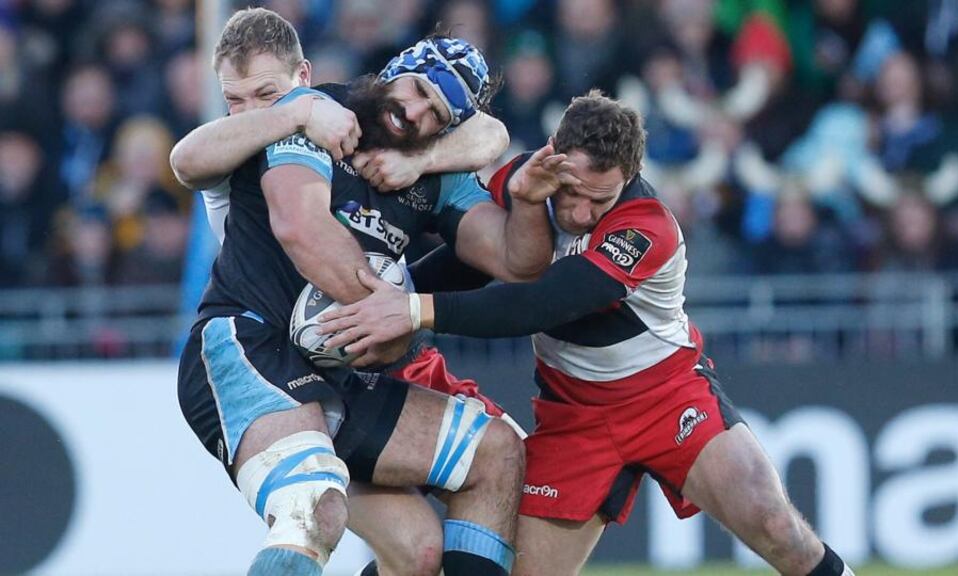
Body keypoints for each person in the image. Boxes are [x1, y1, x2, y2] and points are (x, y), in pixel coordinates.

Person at [322, 91, 859, 576]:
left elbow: (542, 303)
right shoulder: (527, 183)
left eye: (599, 202)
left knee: (777, 528)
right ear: (555, 155)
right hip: (574, 418)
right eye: (572, 193)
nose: (580, 213)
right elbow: (476, 260)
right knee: (502, 566)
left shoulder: (647, 226)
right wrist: (392, 293)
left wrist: (411, 308)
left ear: (629, 177)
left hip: (668, 398)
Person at [174, 9, 568, 576]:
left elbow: (515, 260)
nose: (415, 112)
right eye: (417, 91)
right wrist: (393, 316)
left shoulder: (435, 171)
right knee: (312, 508)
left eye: (437, 113)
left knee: (480, 473)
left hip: (336, 369)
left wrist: (526, 201)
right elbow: (300, 228)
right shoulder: (312, 114)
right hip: (247, 343)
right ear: (395, 71)